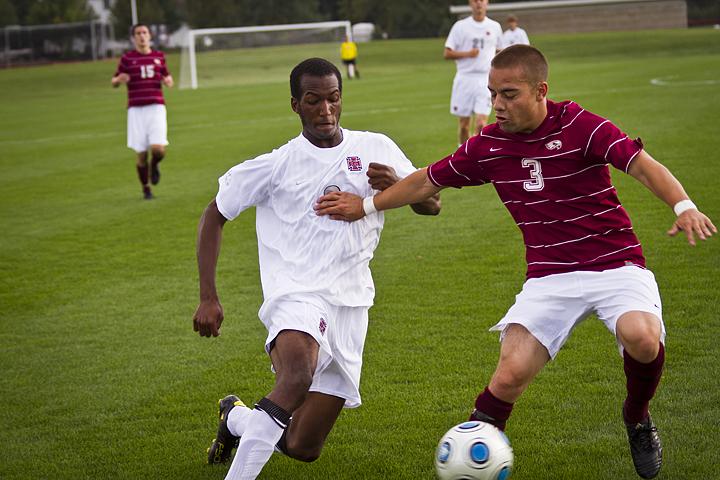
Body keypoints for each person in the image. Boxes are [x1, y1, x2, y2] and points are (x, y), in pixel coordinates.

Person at [314, 45, 716, 479]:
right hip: (549, 277)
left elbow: (640, 165)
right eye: (492, 94)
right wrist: (368, 205)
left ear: (541, 90)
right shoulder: (488, 146)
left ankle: (637, 418)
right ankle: (475, 454)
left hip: (615, 264)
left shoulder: (580, 124)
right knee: (508, 376)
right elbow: (426, 181)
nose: (497, 105)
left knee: (641, 336)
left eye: (509, 93)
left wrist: (684, 206)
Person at [192, 57, 440, 480]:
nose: (325, 110)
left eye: (333, 99)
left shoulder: (376, 146)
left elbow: (431, 204)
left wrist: (395, 185)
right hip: (296, 294)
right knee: (296, 376)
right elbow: (213, 215)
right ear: (296, 105)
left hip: (352, 301)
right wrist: (208, 296)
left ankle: (234, 418)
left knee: (303, 446)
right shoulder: (275, 165)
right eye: (313, 101)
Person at [111, 23, 173, 200]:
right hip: (136, 111)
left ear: (150, 36)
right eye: (138, 33)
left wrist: (168, 81)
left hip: (156, 108)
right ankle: (146, 189)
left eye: (144, 32)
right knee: (141, 154)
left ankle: (154, 165)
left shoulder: (159, 57)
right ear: (133, 38)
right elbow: (114, 81)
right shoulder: (127, 59)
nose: (142, 36)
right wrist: (118, 80)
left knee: (158, 150)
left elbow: (167, 77)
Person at [444, 0, 502, 145]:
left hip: (485, 80)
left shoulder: (495, 26)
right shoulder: (460, 26)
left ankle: (475, 158)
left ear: (487, 3)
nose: (479, 4)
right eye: (475, 0)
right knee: (464, 125)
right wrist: (468, 54)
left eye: (482, 0)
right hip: (465, 79)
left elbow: (500, 51)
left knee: (481, 124)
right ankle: (462, 157)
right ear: (470, 3)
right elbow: (447, 53)